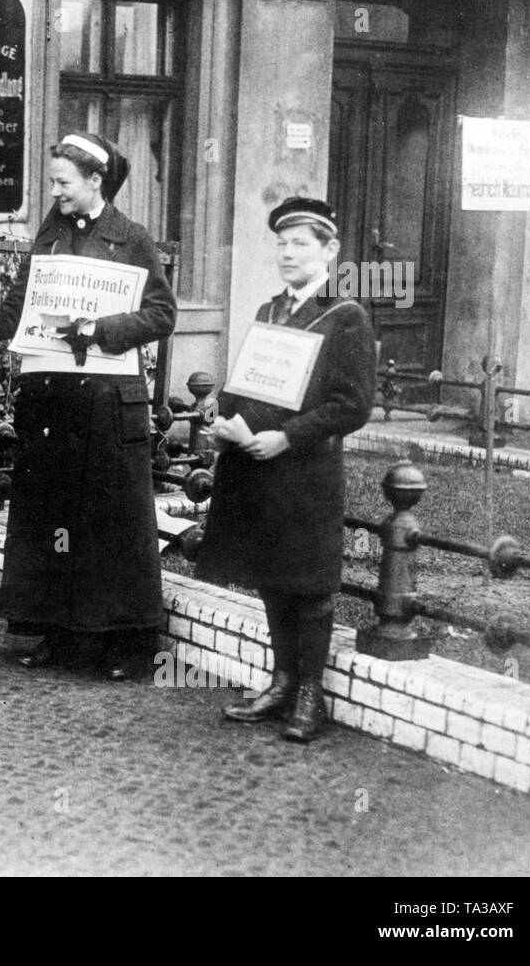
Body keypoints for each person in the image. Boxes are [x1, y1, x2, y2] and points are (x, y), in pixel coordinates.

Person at [0, 132, 176, 680]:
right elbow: (19, 309)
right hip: (54, 400)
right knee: (55, 517)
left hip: (109, 402)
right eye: (54, 183)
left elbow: (162, 316)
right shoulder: (50, 234)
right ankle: (60, 634)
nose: (56, 193)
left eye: (64, 183)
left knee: (110, 522)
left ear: (96, 181)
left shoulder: (132, 239)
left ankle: (123, 644)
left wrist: (102, 328)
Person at [195, 197, 375, 742]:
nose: (288, 253)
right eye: (282, 242)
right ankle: (280, 682)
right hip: (258, 470)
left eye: (301, 243)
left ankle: (309, 695)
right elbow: (254, 379)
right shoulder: (270, 310)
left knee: (309, 585)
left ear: (330, 251)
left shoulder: (347, 315)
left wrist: (287, 437)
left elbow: (353, 405)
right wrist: (221, 408)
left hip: (306, 475)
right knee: (274, 579)